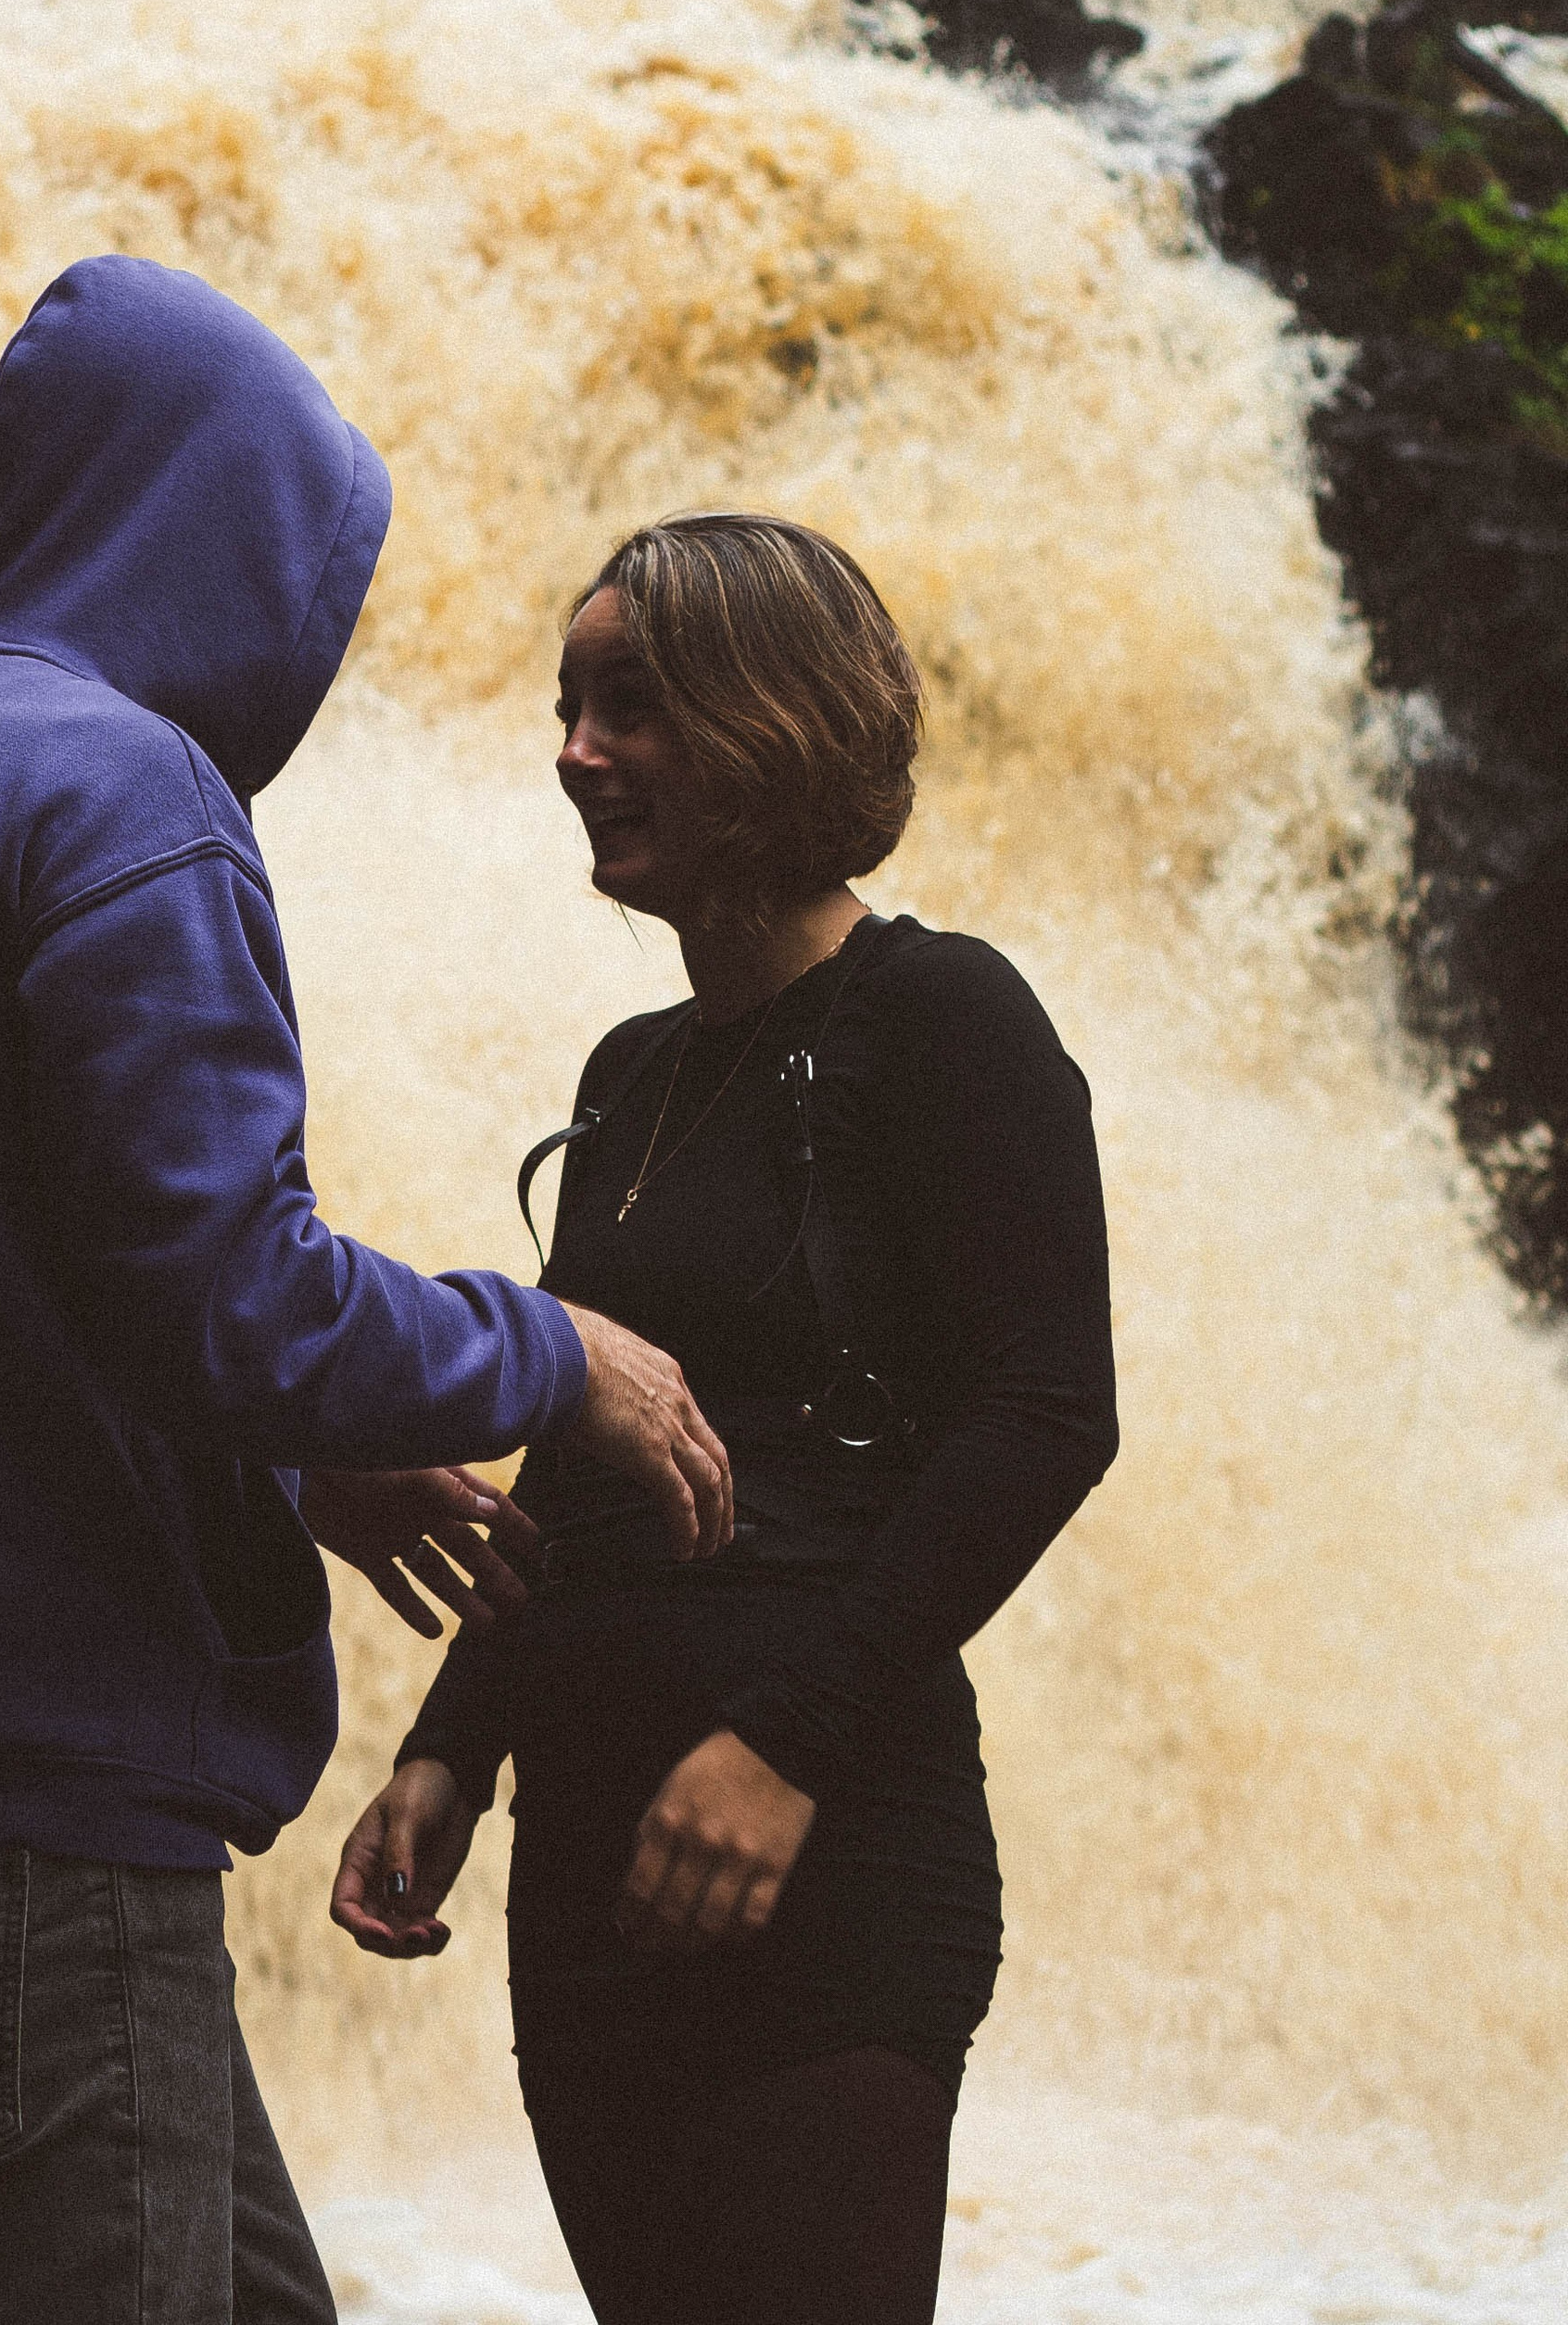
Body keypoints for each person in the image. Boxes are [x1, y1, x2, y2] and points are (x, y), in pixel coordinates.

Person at [0, 257, 733, 2325]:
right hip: (34, 1788)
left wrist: (286, 1470)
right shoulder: (122, 795)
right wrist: (554, 1350)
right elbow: (226, 1291)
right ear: (217, 532)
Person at [330, 512, 1119, 2325]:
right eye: (565, 706)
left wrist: (783, 1741)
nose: (572, 752)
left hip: (825, 1851)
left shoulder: (942, 1018)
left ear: (771, 720)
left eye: (629, 706)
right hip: (584, 1867)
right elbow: (585, 1450)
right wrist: (457, 1745)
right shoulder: (627, 1078)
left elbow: (1042, 1412)